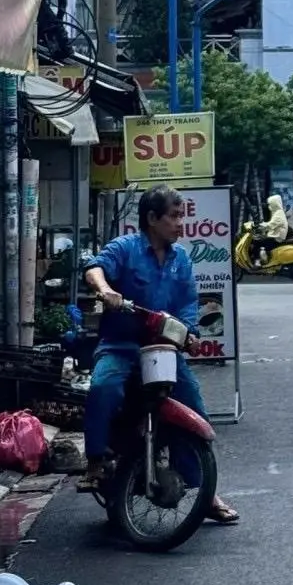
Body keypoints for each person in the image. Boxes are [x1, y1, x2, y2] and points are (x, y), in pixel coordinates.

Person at [80, 185, 238, 524]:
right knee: (103, 388)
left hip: (164, 349)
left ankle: (204, 492)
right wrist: (106, 290)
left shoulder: (181, 258)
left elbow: (188, 302)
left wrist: (191, 333)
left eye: (182, 216)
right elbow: (95, 268)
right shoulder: (125, 247)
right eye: (174, 216)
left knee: (192, 402)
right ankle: (95, 459)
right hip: (120, 346)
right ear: (152, 218)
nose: (180, 223)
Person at [251, 193, 289, 268]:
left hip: (276, 238)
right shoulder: (277, 212)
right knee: (259, 240)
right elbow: (271, 224)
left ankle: (258, 263)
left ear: (275, 204)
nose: (269, 206)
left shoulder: (279, 214)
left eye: (270, 204)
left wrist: (260, 226)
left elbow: (271, 225)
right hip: (275, 236)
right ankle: (263, 260)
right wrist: (262, 224)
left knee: (256, 242)